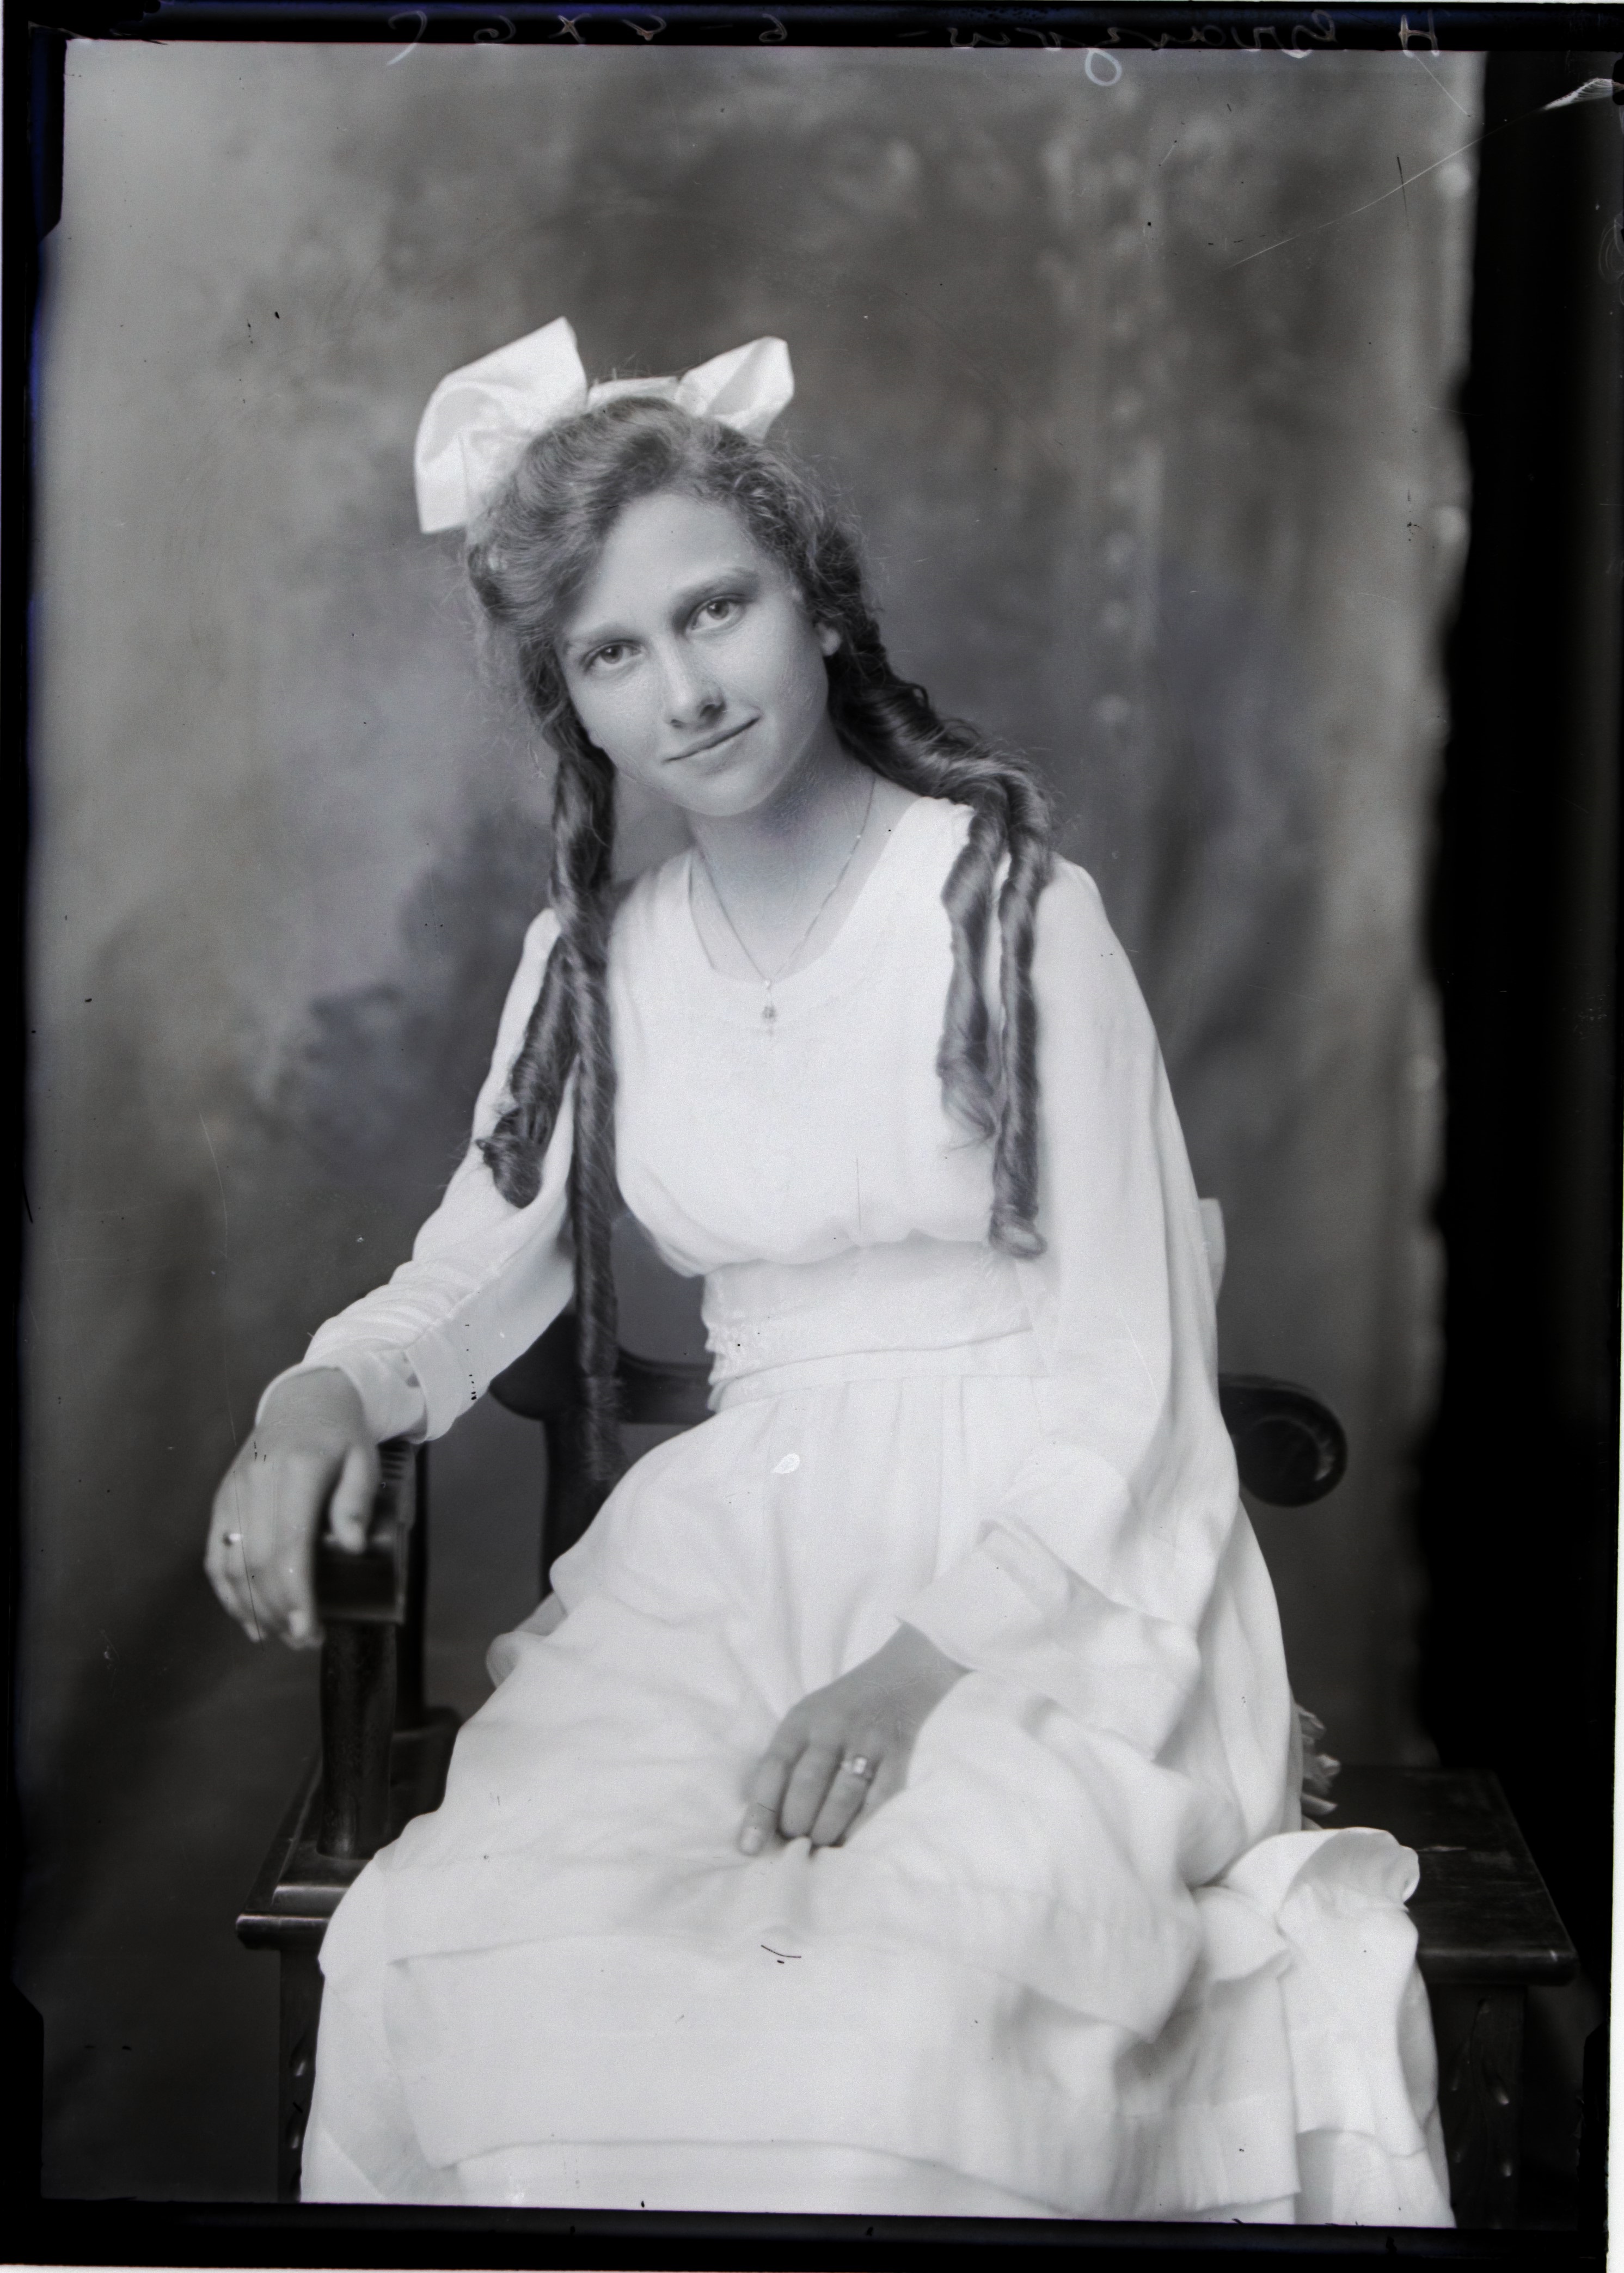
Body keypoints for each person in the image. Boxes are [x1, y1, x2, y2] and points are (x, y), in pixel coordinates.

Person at [206, 319, 1453, 2223]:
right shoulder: (595, 968)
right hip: (739, 1561)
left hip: (1043, 1573)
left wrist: (914, 1675)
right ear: (571, 699)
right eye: (616, 653)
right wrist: (315, 1398)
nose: (687, 690)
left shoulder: (1011, 913)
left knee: (894, 2019)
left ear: (816, 599)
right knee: (501, 1957)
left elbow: (1128, 1378)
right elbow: (465, 1277)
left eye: (717, 610)